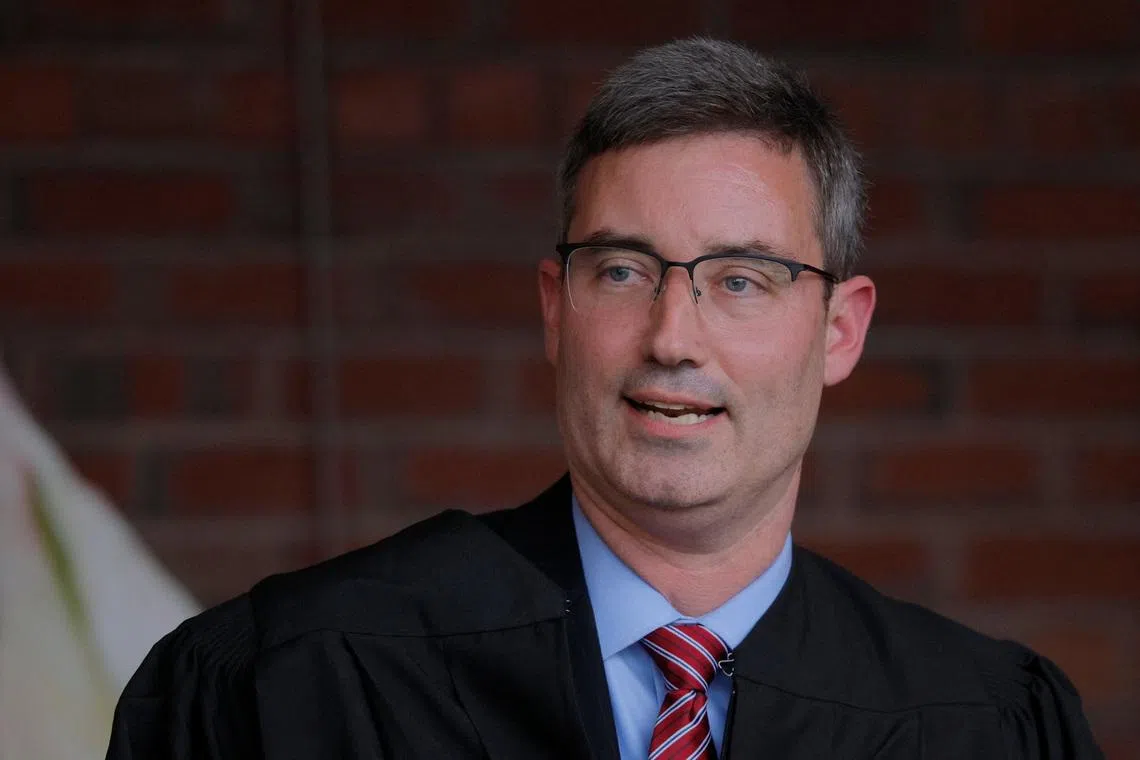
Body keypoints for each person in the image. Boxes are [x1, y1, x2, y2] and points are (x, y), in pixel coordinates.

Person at [106, 38, 1104, 759]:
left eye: (741, 280)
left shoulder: (981, 724)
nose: (672, 338)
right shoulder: (295, 686)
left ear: (840, 329)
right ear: (555, 307)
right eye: (624, 271)